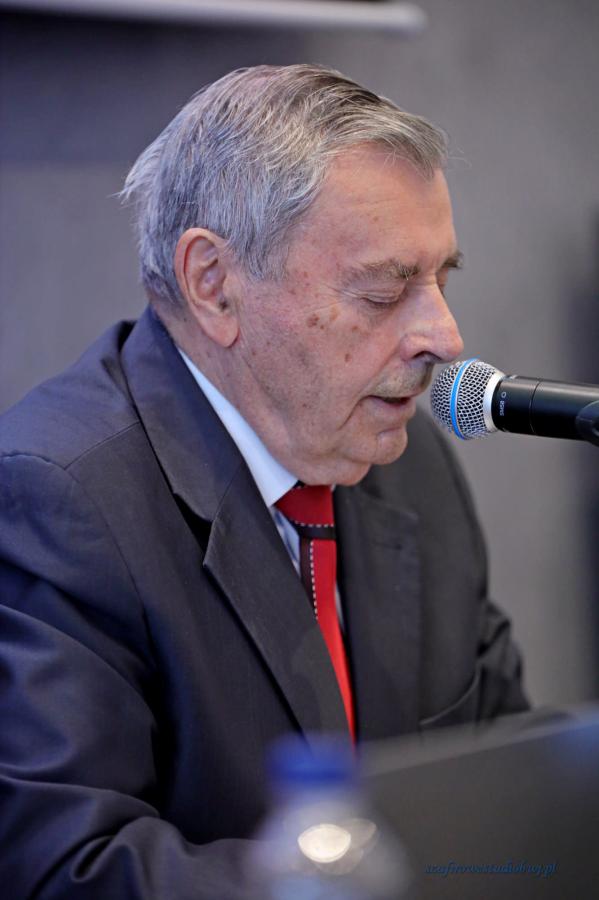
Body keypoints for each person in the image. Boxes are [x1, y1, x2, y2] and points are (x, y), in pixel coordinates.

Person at [0, 65, 528, 899]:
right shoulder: (58, 497)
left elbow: (501, 762)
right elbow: (65, 867)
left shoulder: (408, 460)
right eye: (384, 291)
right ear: (213, 285)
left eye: (441, 280)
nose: (443, 335)